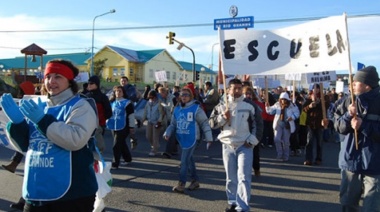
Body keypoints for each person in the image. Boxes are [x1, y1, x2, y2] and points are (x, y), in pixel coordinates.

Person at [0, 59, 98, 211]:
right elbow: (25, 146)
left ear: (69, 82)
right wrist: (17, 124)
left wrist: (42, 120)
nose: (51, 81)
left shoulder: (80, 105)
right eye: (47, 77)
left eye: (58, 76)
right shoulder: (38, 106)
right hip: (35, 191)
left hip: (73, 195)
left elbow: (75, 140)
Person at [334, 66, 380, 211]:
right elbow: (338, 127)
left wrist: (363, 126)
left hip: (374, 163)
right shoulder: (346, 102)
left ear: (367, 85)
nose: (352, 85)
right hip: (350, 161)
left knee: (371, 206)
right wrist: (348, 115)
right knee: (347, 203)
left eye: (356, 82)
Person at [209, 78, 259, 212]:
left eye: (239, 88)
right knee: (231, 177)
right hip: (228, 145)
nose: (237, 90)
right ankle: (232, 201)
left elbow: (258, 124)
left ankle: (242, 207)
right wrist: (223, 117)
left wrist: (252, 140)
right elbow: (212, 123)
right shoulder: (221, 105)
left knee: (243, 176)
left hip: (244, 145)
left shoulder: (249, 105)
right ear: (228, 89)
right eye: (234, 88)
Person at [163, 86, 213, 193]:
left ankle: (181, 183)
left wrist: (209, 138)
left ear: (191, 96)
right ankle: (195, 181)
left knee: (184, 161)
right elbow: (173, 124)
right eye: (182, 95)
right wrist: (167, 132)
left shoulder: (196, 108)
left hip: (193, 138)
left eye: (186, 95)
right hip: (182, 138)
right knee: (189, 160)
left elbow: (204, 123)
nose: (184, 97)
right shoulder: (177, 109)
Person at [2, 81, 35, 174]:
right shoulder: (19, 100)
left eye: (21, 90)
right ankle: (13, 164)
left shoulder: (30, 101)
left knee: (22, 145)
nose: (19, 92)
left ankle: (14, 164)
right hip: (24, 128)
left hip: (28, 128)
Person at [106, 85, 136, 169]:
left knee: (116, 145)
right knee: (121, 143)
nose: (118, 93)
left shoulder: (127, 103)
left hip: (124, 127)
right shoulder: (112, 102)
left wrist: (131, 127)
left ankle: (115, 163)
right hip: (113, 125)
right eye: (116, 91)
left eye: (120, 91)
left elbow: (131, 116)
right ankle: (128, 158)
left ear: (123, 93)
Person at [266, 92, 300, 161]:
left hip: (287, 125)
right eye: (282, 99)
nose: (283, 101)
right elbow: (270, 111)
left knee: (286, 141)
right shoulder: (277, 105)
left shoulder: (292, 105)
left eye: (284, 99)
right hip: (278, 124)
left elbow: (297, 113)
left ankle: (285, 156)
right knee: (277, 139)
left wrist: (292, 117)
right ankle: (279, 154)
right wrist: (267, 107)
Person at [303, 84, 330, 166]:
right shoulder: (308, 99)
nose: (316, 90)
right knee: (309, 142)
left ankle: (318, 159)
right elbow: (304, 110)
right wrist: (310, 106)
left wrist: (320, 102)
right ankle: (308, 159)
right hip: (310, 124)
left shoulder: (323, 98)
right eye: (315, 88)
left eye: (318, 88)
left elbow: (327, 106)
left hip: (320, 124)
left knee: (319, 143)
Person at [86, 75, 112, 153]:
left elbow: (108, 112)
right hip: (86, 125)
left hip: (98, 125)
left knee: (99, 147)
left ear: (97, 84)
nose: (89, 85)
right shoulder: (86, 96)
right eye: (88, 83)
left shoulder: (103, 97)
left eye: (91, 83)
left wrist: (100, 120)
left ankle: (97, 163)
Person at [242, 85, 264, 176]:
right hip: (242, 132)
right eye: (246, 93)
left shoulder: (254, 104)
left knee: (255, 153)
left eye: (249, 94)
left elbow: (260, 113)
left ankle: (256, 168)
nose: (248, 95)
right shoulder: (240, 104)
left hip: (252, 131)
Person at [142, 90, 165, 156]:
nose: (151, 99)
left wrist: (159, 121)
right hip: (149, 121)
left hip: (156, 122)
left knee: (155, 136)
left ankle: (154, 150)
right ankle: (154, 145)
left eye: (152, 97)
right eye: (149, 97)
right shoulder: (148, 103)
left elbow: (161, 113)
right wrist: (143, 119)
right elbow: (145, 111)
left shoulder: (159, 103)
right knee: (148, 136)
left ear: (155, 97)